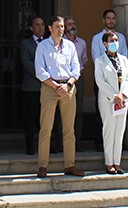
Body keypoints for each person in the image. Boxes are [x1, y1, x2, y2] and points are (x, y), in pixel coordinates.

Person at [34, 15, 83, 178]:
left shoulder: (70, 46)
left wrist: (68, 85)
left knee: (69, 129)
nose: (61, 29)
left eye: (62, 26)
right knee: (46, 128)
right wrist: (55, 86)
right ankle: (42, 166)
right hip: (50, 87)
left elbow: (76, 69)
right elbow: (40, 70)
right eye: (57, 26)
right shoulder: (42, 46)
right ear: (50, 28)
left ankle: (70, 165)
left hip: (68, 87)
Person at [93, 31, 128, 174]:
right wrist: (114, 96)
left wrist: (123, 94)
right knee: (109, 130)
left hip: (122, 100)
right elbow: (100, 81)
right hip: (108, 100)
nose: (115, 43)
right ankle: (109, 162)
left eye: (116, 40)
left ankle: (117, 161)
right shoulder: (100, 61)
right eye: (111, 40)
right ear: (105, 43)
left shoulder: (124, 59)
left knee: (120, 131)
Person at [90, 9, 127, 151]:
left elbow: (124, 57)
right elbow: (96, 58)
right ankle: (100, 142)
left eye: (113, 18)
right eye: (108, 18)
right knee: (101, 112)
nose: (111, 21)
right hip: (103, 80)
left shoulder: (121, 38)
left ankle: (118, 145)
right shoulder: (96, 38)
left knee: (119, 114)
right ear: (103, 20)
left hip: (120, 82)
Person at [19, 15, 45, 155]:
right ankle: (30, 146)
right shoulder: (26, 44)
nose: (40, 27)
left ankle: (47, 146)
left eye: (42, 24)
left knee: (45, 118)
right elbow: (27, 63)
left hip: (47, 87)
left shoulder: (49, 43)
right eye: (37, 24)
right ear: (31, 28)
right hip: (31, 87)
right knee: (30, 118)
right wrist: (43, 75)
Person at [64, 16, 87, 153]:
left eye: (74, 23)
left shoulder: (82, 43)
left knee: (78, 112)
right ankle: (61, 144)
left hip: (79, 78)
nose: (72, 26)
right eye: (69, 24)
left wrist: (78, 71)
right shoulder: (61, 43)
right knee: (63, 112)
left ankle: (77, 143)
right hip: (64, 79)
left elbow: (84, 59)